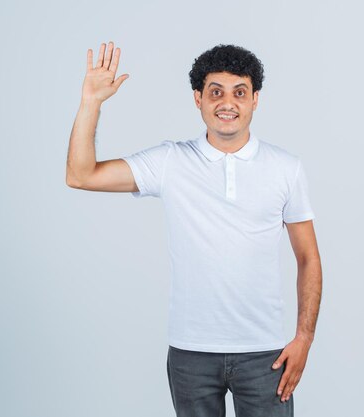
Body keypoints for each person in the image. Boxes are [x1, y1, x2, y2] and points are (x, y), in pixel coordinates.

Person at [66, 41, 323, 417]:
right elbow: (80, 175)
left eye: (240, 92)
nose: (227, 103)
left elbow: (308, 257)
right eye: (215, 92)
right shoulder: (170, 161)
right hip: (191, 354)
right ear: (198, 99)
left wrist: (305, 338)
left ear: (255, 100)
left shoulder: (286, 168)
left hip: (264, 354)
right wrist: (91, 102)